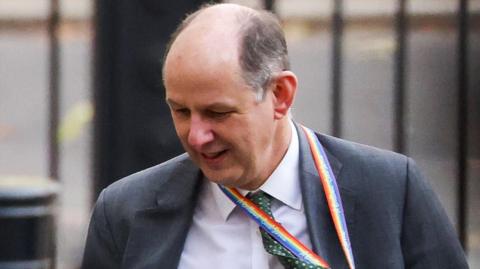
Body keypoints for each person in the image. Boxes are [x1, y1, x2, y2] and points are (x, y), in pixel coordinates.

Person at [82, 3, 468, 269]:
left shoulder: (388, 190)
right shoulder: (125, 213)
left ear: (280, 95)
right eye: (180, 111)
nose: (196, 136)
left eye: (218, 113)